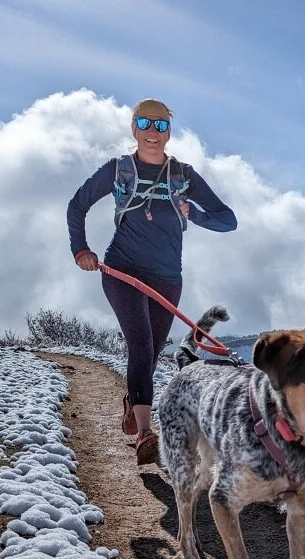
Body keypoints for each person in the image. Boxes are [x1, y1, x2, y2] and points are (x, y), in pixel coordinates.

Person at [67, 98, 237, 464]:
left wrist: (198, 215)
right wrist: (81, 249)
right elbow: (76, 205)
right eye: (145, 123)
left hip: (167, 278)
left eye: (161, 126)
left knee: (152, 351)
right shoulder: (118, 169)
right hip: (121, 270)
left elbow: (228, 220)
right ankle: (145, 433)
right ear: (134, 128)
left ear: (169, 131)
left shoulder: (184, 175)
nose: (152, 132)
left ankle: (133, 400)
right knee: (142, 345)